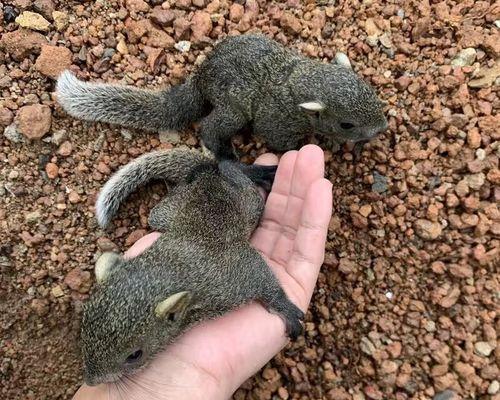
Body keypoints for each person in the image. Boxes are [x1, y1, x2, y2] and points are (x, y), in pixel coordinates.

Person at [74, 144, 333, 400]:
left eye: (134, 356)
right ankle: (210, 172)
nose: (90, 381)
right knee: (159, 219)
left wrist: (278, 301)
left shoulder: (217, 289)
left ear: (174, 312)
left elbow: (252, 268)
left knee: (253, 207)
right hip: (189, 215)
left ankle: (228, 169)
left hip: (223, 210)